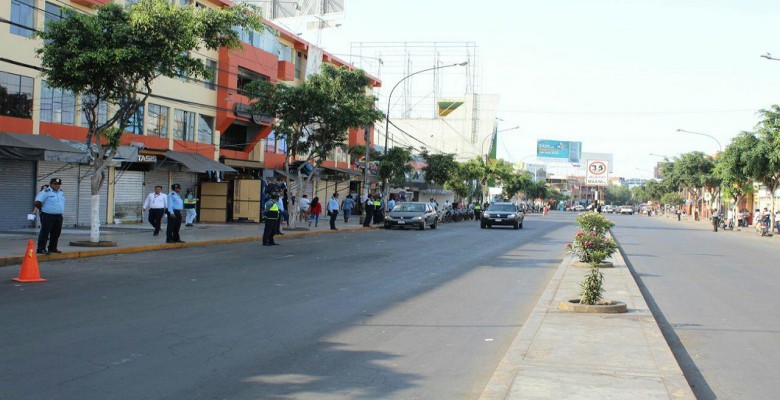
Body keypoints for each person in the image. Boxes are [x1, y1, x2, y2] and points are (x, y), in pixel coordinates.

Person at [34, 178, 65, 254]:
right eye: (55, 184)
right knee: (45, 232)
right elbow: (37, 202)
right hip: (48, 215)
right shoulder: (45, 192)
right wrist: (43, 209)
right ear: (51, 184)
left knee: (56, 233)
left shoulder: (60, 192)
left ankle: (52, 248)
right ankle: (41, 248)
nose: (57, 186)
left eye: (58, 184)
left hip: (58, 216)